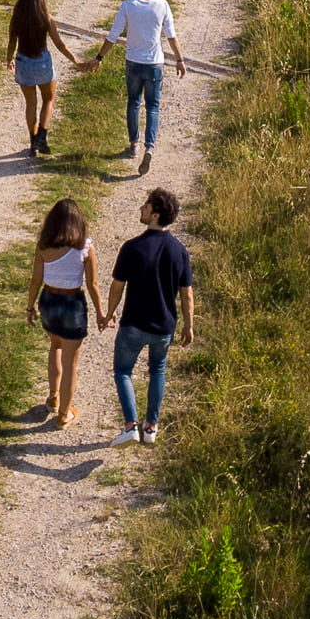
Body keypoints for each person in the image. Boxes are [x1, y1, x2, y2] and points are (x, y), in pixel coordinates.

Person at [103, 188, 193, 445]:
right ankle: (151, 427)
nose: (141, 209)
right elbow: (186, 294)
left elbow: (117, 287)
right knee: (158, 370)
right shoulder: (180, 251)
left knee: (122, 371)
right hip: (164, 327)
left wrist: (108, 315)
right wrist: (189, 326)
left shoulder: (132, 248)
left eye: (145, 206)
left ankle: (131, 425)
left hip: (134, 323)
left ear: (155, 214)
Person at [91, 0, 185, 174]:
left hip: (133, 62)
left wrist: (99, 57)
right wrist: (179, 59)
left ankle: (133, 144)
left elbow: (113, 34)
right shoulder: (162, 5)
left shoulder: (127, 6)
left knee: (133, 102)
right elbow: (171, 35)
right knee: (153, 106)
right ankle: (149, 147)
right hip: (155, 64)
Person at [22, 197, 101, 428]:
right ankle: (65, 414)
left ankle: (53, 397)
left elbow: (35, 280)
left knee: (55, 346)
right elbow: (93, 285)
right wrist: (100, 313)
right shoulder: (85, 247)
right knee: (71, 363)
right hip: (71, 303)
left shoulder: (44, 246)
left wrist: (30, 306)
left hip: (48, 300)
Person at [6, 0, 89, 155]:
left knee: (31, 103)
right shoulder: (46, 18)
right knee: (48, 99)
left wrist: (9, 59)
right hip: (42, 62)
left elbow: (12, 41)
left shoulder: (17, 18)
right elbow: (59, 44)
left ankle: (32, 142)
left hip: (23, 62)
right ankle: (41, 138)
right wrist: (76, 60)